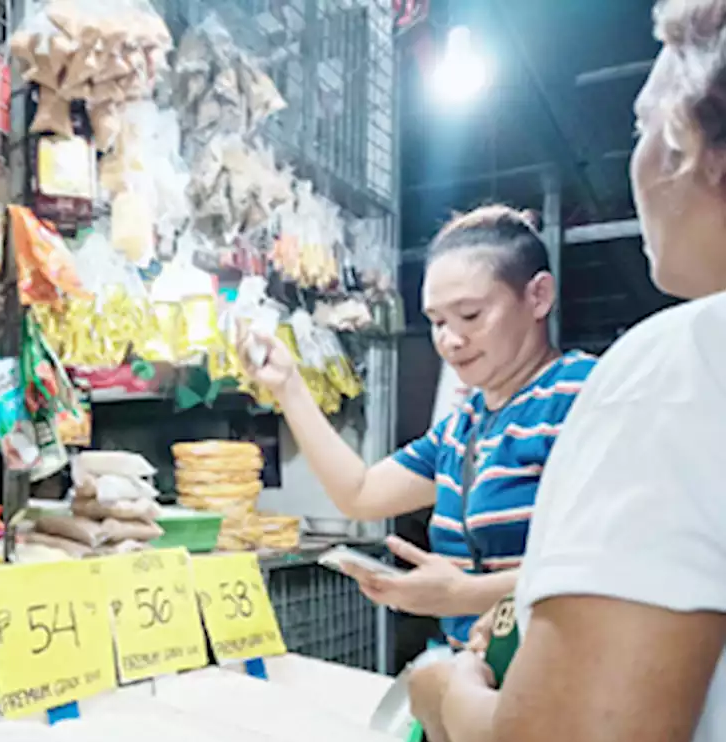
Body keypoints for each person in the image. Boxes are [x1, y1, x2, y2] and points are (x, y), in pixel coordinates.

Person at [408, 4, 727, 742]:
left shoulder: (674, 372)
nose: (454, 340)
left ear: (695, 142)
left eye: (639, 127)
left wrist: (441, 692)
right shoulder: (467, 419)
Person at [241, 205, 595, 648]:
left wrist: (464, 596)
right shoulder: (461, 430)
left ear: (538, 296)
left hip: (562, 682)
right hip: (480, 680)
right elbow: (361, 494)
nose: (450, 339)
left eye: (470, 315)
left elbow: (615, 562)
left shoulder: (585, 396)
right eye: (437, 322)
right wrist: (290, 386)